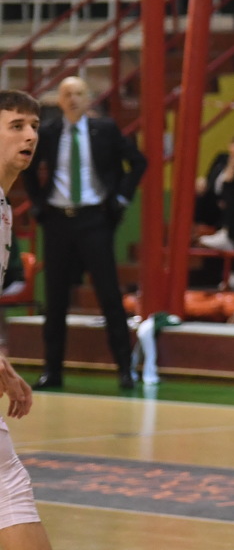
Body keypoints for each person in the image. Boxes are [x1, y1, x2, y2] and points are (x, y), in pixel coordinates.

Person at [25, 77, 146, 391]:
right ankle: (52, 371)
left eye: (79, 93)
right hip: (57, 221)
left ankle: (125, 369)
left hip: (94, 220)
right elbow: (28, 167)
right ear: (60, 100)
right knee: (55, 298)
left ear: (89, 98)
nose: (73, 99)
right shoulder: (48, 132)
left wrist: (121, 198)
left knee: (109, 294)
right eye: (67, 94)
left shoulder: (105, 129)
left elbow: (138, 162)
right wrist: (38, 204)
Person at [0, 89, 55, 549]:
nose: (30, 136)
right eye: (16, 126)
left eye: (34, 126)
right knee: (8, 486)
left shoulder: (4, 207)